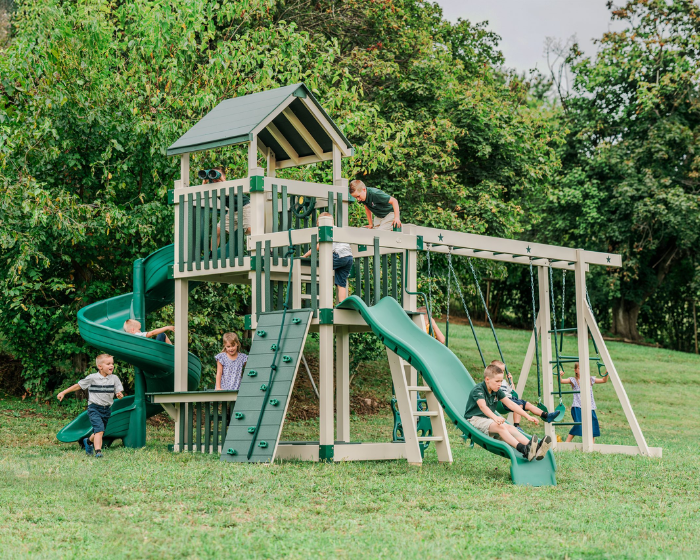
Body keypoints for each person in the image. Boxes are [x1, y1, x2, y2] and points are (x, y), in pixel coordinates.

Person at [463, 363, 552, 461]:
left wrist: (527, 416)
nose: (499, 384)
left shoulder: (496, 390)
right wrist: (495, 417)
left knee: (510, 427)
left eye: (501, 381)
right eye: (497, 381)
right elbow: (483, 407)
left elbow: (511, 404)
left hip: (488, 421)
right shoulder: (478, 389)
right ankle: (523, 449)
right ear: (487, 379)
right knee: (500, 426)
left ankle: (534, 448)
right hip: (474, 420)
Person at [56, 354, 124, 458]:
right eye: (108, 364)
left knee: (99, 432)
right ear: (100, 366)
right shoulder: (93, 378)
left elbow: (119, 393)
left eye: (112, 364)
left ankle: (87, 442)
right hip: (94, 408)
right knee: (99, 430)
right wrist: (63, 392)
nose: (112, 366)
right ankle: (98, 452)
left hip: (107, 409)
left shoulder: (114, 379)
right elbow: (78, 386)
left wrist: (119, 395)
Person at [491, 359, 561, 428]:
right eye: (499, 371)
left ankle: (546, 416)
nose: (502, 373)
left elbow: (513, 392)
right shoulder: (492, 381)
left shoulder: (504, 382)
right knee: (519, 405)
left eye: (503, 371)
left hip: (512, 399)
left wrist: (510, 381)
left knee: (528, 404)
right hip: (502, 402)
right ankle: (516, 425)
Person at [303, 212, 354, 302]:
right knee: (341, 283)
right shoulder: (338, 230)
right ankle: (343, 303)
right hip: (349, 257)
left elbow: (317, 246)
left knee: (323, 269)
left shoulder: (328, 230)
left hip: (338, 255)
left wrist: (305, 255)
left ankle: (325, 299)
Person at [559, 362, 609, 442]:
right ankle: (567, 443)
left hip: (590, 406)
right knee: (578, 425)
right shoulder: (574, 380)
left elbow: (604, 380)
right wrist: (559, 375)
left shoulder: (590, 379)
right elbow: (561, 381)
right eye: (579, 368)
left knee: (592, 425)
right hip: (578, 406)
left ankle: (592, 445)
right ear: (575, 370)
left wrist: (607, 373)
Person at [207, 167, 251, 246]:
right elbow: (203, 190)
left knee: (250, 230)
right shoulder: (213, 187)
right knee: (217, 231)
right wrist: (205, 180)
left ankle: (267, 248)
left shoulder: (229, 184)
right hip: (232, 211)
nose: (215, 178)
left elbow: (226, 186)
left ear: (224, 177)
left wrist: (221, 179)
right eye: (213, 176)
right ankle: (212, 255)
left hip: (245, 206)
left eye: (217, 175)